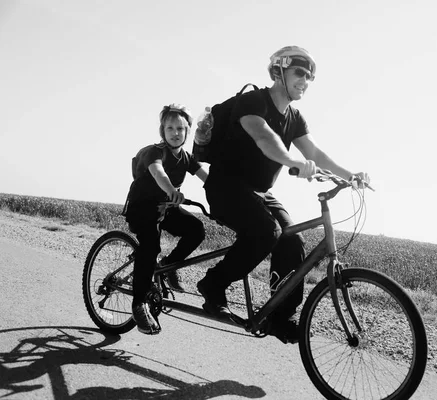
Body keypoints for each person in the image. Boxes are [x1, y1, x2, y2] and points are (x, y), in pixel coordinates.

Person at [197, 46, 370, 343]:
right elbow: (264, 137)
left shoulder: (295, 118)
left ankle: (280, 315)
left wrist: (350, 175)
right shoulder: (253, 102)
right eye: (299, 73)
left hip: (259, 193)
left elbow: (315, 153)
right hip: (225, 187)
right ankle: (213, 285)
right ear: (279, 71)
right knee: (266, 232)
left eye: (309, 77)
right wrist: (293, 162)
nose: (305, 81)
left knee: (291, 239)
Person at [123, 104, 209, 335]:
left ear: (187, 131)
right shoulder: (155, 152)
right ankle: (138, 305)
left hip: (165, 209)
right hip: (142, 207)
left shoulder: (186, 158)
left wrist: (225, 196)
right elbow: (159, 173)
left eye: (180, 128)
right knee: (151, 246)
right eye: (170, 127)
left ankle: (167, 266)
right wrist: (172, 190)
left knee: (196, 230)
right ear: (163, 130)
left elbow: (207, 178)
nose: (175, 132)